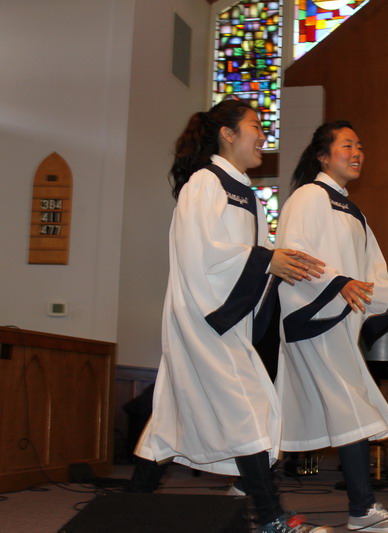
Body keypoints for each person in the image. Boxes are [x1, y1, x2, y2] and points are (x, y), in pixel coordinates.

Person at [133, 99, 331, 533]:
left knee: (170, 420)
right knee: (250, 409)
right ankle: (272, 518)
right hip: (204, 317)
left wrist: (278, 264)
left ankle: (128, 509)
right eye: (256, 126)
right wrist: (267, 260)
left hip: (229, 320)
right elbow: (200, 252)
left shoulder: (248, 194)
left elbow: (255, 256)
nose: (263, 136)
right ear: (227, 133)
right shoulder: (205, 183)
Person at [275, 121, 388, 533]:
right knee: (351, 411)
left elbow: (370, 274)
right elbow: (294, 255)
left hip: (338, 327)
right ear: (323, 155)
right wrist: (338, 283)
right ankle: (362, 509)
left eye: (360, 146)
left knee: (287, 414)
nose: (357, 153)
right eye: (347, 145)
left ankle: (245, 486)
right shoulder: (308, 196)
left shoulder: (351, 210)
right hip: (314, 320)